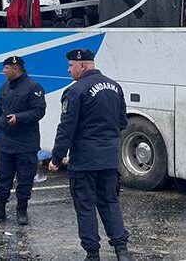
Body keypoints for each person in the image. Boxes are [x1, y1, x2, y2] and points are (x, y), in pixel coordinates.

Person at [49, 49, 132, 261]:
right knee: (109, 201)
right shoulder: (115, 86)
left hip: (85, 160)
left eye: (70, 66)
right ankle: (121, 250)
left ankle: (92, 253)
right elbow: (122, 121)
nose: (68, 70)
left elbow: (66, 128)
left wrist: (57, 158)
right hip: (109, 158)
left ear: (83, 65)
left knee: (85, 206)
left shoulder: (75, 91)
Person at [0, 55, 46, 226]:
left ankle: (21, 211)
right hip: (7, 143)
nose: (3, 71)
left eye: (6, 68)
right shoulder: (5, 87)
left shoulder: (33, 87)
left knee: (25, 180)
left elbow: (39, 111)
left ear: (16, 68)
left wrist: (19, 118)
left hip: (26, 143)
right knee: (3, 178)